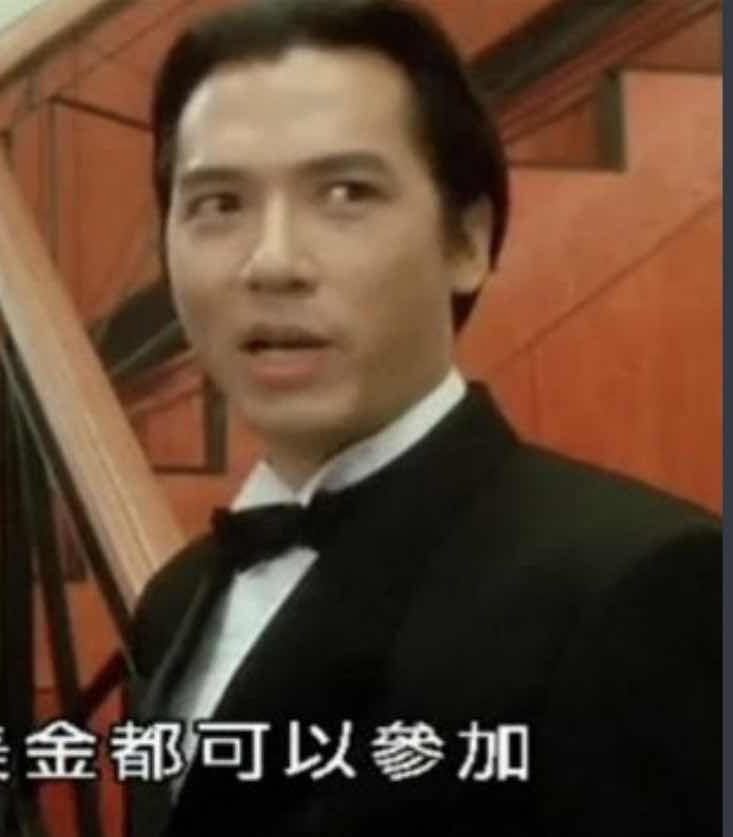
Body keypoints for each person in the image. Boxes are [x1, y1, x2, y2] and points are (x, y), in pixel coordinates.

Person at [128, 2, 720, 835]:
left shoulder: (637, 581)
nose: (271, 262)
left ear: (466, 239)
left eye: (344, 193)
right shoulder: (175, 600)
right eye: (217, 203)